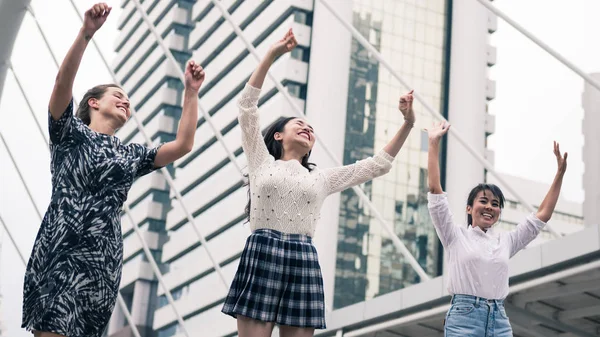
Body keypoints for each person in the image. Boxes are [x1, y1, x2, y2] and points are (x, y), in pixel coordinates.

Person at [21, 3, 205, 337]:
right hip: (62, 248)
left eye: (128, 101)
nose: (126, 102)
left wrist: (190, 93)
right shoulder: (69, 136)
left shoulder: (130, 154)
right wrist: (86, 34)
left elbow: (182, 145)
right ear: (94, 102)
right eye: (117, 96)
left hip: (102, 259)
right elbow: (62, 82)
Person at [221, 28, 417, 337]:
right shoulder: (261, 162)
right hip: (262, 251)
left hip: (303, 257)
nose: (306, 128)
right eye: (298, 123)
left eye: (310, 129)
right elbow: (247, 107)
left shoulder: (321, 178)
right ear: (278, 135)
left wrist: (408, 123)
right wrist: (272, 54)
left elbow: (377, 165)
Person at [426, 121, 568, 337]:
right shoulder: (454, 235)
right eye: (483, 201)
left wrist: (560, 173)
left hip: (499, 319)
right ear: (469, 208)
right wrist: (434, 143)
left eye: (495, 204)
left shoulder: (506, 241)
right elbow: (436, 192)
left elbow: (542, 215)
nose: (489, 207)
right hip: (464, 318)